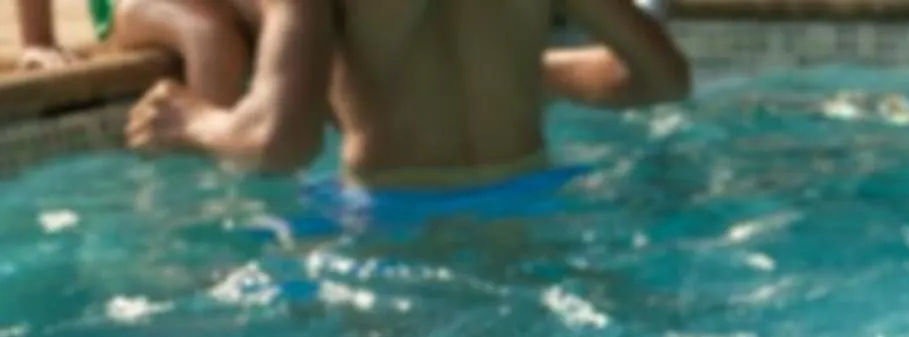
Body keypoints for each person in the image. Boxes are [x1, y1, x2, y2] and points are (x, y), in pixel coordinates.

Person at [121, 0, 687, 189]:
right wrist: (520, 75)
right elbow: (660, 79)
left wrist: (191, 122)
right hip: (535, 202)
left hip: (394, 229)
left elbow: (278, 143)